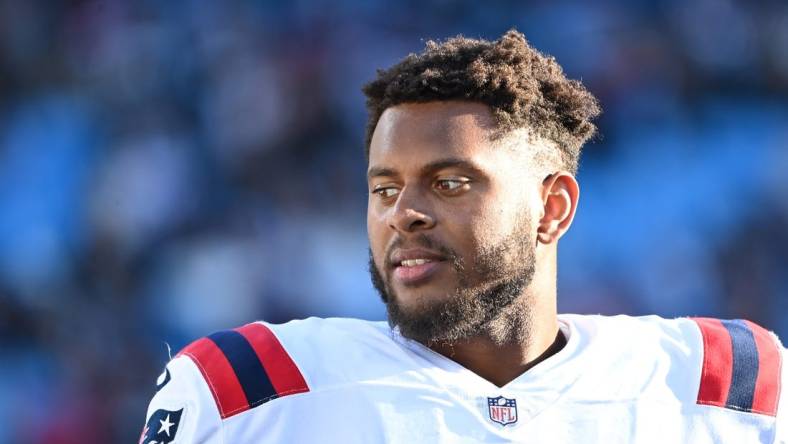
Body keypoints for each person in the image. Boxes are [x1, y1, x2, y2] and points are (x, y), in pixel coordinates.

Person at [141, 30, 786, 443]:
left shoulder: (724, 388)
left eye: (450, 182)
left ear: (551, 207)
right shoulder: (250, 390)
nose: (404, 214)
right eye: (384, 189)